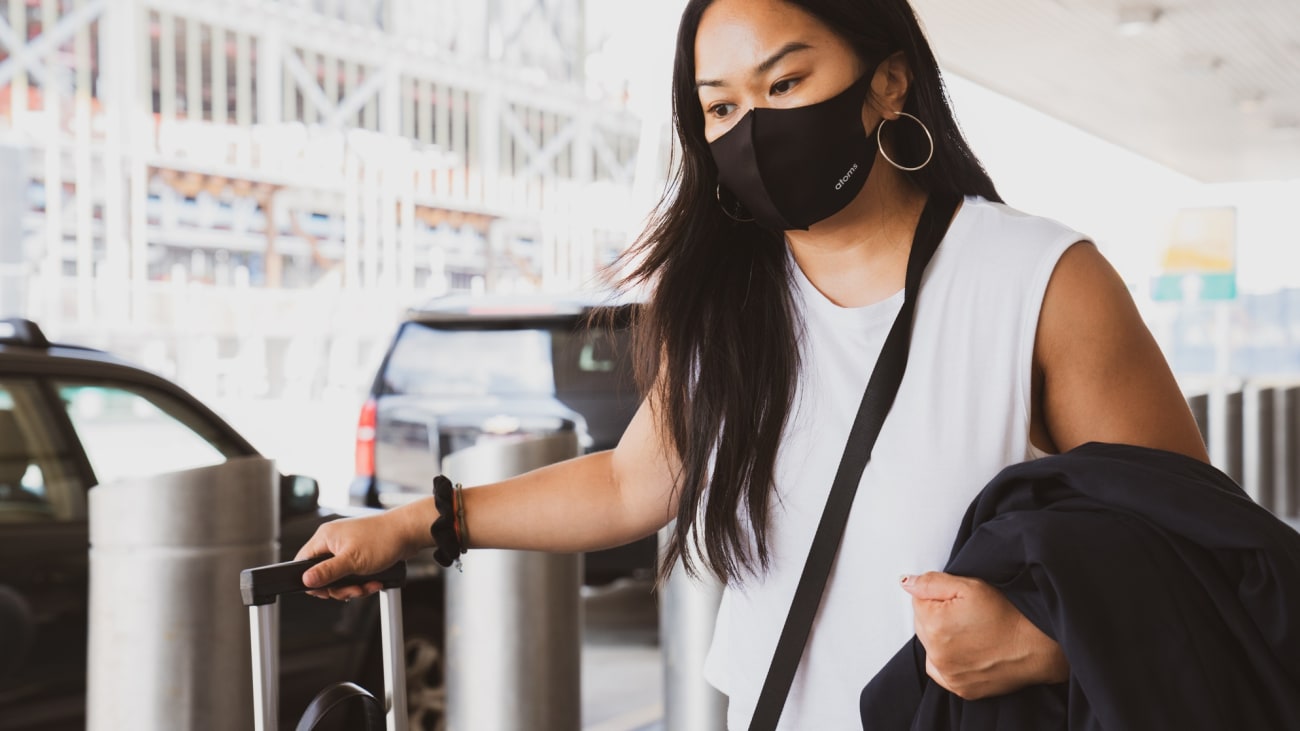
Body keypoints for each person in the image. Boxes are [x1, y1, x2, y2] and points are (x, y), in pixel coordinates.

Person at [295, 0, 1208, 727]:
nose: (754, 129)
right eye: (723, 106)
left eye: (786, 82)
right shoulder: (728, 305)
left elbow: (1193, 553)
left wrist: (1048, 639)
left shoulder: (1040, 281)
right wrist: (422, 522)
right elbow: (626, 485)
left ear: (888, 81)